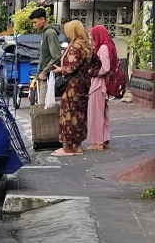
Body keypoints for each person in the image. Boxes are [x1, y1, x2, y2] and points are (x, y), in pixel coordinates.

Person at [51, 21, 99, 157]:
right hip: (84, 85)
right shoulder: (87, 47)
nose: (66, 33)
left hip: (72, 85)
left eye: (67, 30)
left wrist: (61, 70)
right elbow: (97, 63)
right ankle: (78, 145)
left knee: (68, 114)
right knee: (80, 115)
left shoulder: (75, 47)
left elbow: (71, 67)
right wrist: (90, 73)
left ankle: (67, 147)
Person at [87, 25, 116, 151]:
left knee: (96, 114)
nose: (93, 39)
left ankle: (97, 142)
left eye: (93, 36)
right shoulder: (109, 45)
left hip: (99, 84)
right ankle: (104, 139)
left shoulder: (103, 48)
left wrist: (91, 72)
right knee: (102, 113)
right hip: (103, 84)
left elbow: (105, 67)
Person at [30, 8, 61, 95]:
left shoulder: (50, 33)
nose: (34, 25)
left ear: (43, 19)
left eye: (35, 22)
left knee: (45, 107)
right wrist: (37, 77)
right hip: (42, 76)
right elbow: (43, 58)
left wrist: (45, 72)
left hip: (47, 77)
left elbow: (56, 56)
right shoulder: (45, 33)